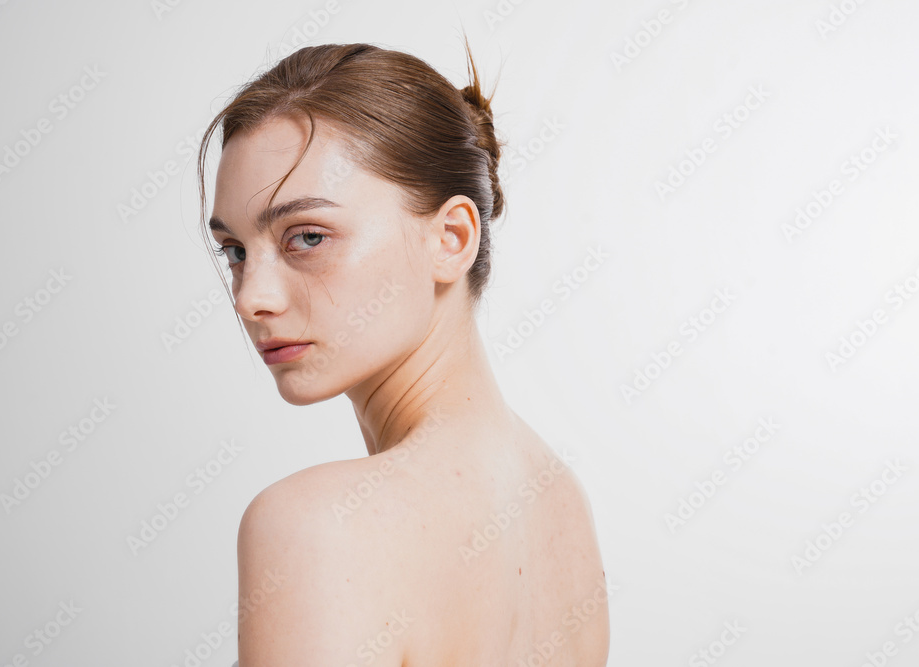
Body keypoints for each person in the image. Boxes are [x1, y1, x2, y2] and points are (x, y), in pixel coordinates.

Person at [198, 39, 610, 666]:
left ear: (451, 238)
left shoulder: (316, 526)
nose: (251, 297)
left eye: (307, 237)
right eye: (235, 251)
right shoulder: (559, 503)